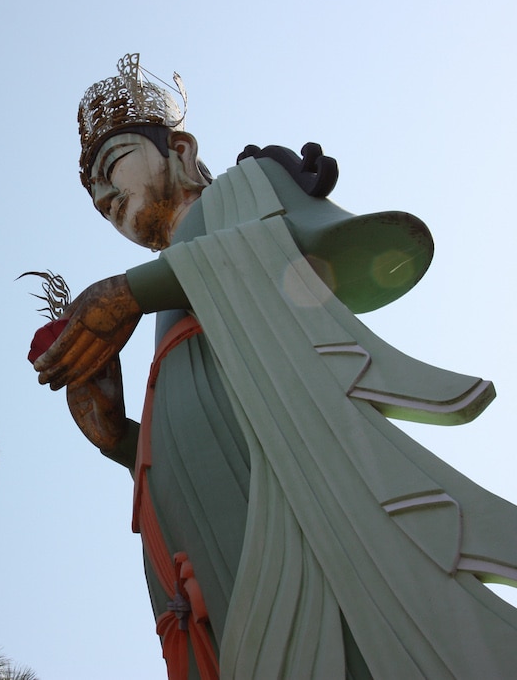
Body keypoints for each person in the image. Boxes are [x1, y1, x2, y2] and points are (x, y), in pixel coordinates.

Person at [34, 54, 517, 679]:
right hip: (204, 559)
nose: (104, 197)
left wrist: (132, 292)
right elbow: (208, 421)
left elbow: (360, 250)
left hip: (297, 504)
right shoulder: (164, 312)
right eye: (95, 199)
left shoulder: (246, 191)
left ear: (180, 151)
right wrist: (120, 438)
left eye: (110, 167)